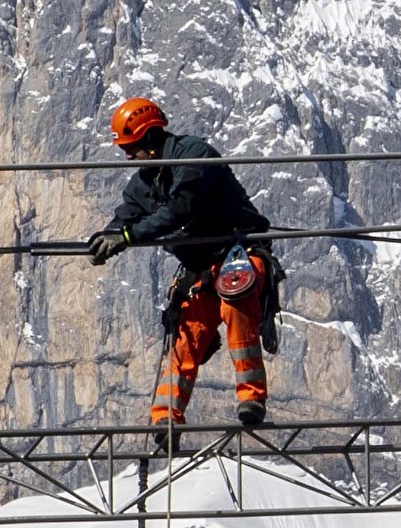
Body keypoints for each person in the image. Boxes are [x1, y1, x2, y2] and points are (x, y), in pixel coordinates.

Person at [88, 96, 280, 427]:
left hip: (239, 252)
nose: (128, 156)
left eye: (131, 147)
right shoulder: (144, 183)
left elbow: (181, 208)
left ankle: (251, 399)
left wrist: (130, 237)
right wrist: (109, 237)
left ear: (150, 138)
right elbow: (127, 216)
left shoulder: (193, 156)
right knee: (185, 332)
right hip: (200, 268)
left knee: (234, 306)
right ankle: (166, 419)